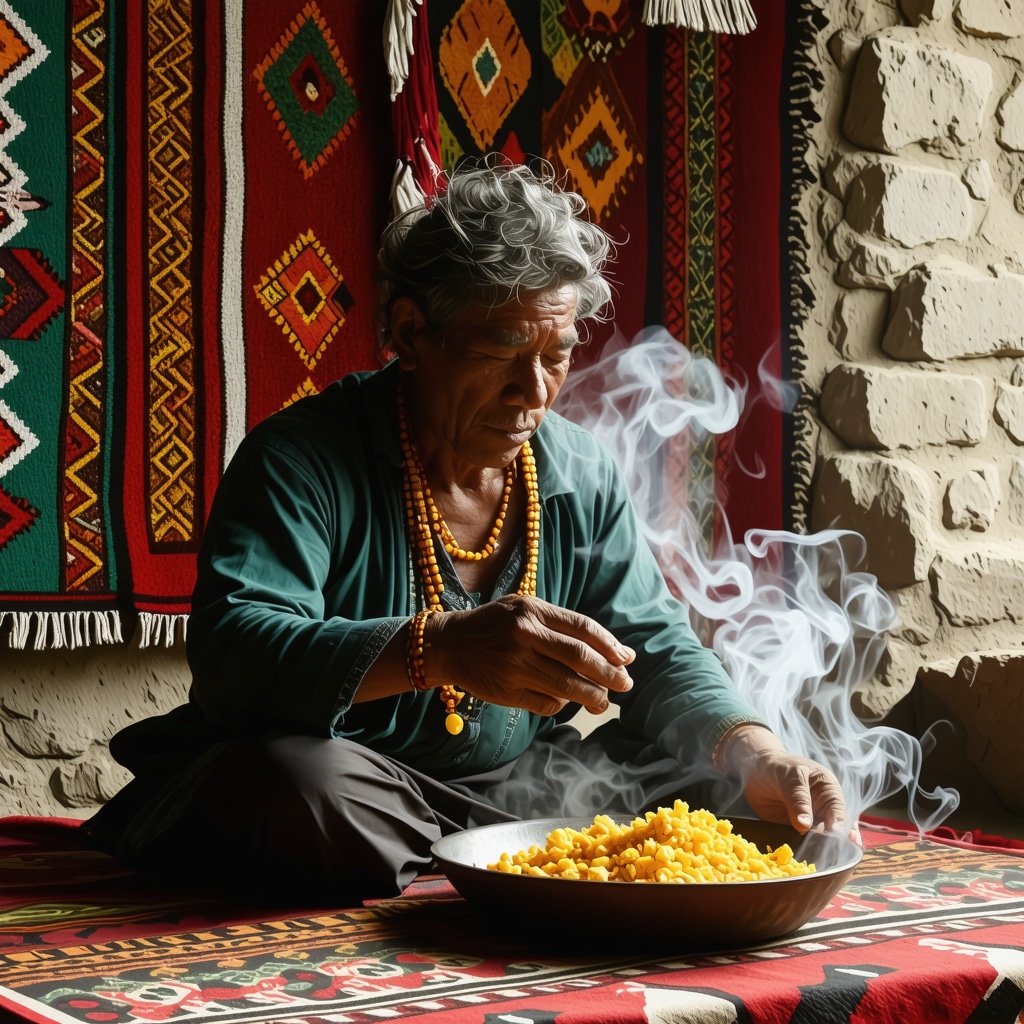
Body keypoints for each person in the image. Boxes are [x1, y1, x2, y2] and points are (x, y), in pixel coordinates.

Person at [85, 161, 847, 904]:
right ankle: (489, 861)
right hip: (357, 782)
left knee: (715, 779)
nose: (535, 393)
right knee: (295, 786)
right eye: (500, 356)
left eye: (557, 356)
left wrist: (757, 749)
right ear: (413, 333)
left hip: (517, 790)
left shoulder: (577, 468)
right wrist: (442, 648)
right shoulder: (301, 458)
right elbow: (235, 655)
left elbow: (657, 647)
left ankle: (471, 858)